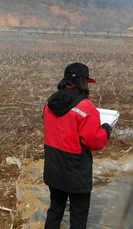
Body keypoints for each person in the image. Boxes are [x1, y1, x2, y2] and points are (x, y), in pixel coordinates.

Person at [43, 62, 112, 229]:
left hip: (54, 166)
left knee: (55, 211)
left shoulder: (49, 101)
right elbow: (93, 141)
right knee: (78, 218)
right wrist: (106, 130)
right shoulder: (87, 108)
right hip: (76, 171)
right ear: (82, 82)